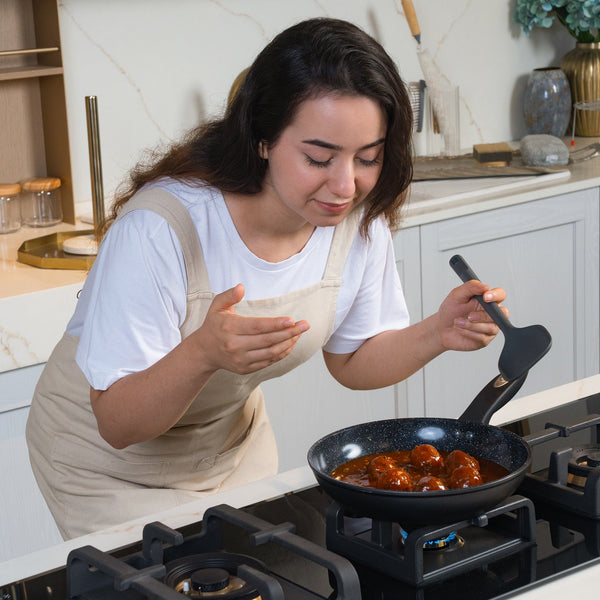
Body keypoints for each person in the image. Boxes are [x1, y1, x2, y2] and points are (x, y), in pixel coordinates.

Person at [26, 17, 507, 539]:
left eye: (368, 157)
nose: (345, 185)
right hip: (107, 464)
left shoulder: (357, 220)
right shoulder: (162, 227)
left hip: (231, 445)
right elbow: (118, 423)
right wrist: (203, 352)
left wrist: (437, 332)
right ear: (261, 138)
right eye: (318, 158)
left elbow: (352, 358)